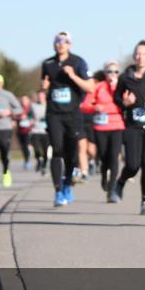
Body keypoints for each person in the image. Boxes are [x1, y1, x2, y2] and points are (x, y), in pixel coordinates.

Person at [40, 32, 94, 206]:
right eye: (57, 41)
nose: (60, 44)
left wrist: (73, 76)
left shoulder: (78, 62)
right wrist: (44, 87)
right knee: (57, 149)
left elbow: (91, 87)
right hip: (54, 114)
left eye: (64, 41)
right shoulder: (47, 64)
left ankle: (67, 184)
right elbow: (44, 86)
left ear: (70, 44)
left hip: (73, 115)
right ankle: (57, 192)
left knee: (71, 153)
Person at [115, 41, 145, 215]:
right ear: (134, 56)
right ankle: (121, 181)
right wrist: (125, 102)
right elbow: (116, 99)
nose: (140, 57)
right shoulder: (125, 77)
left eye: (143, 54)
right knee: (133, 165)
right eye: (137, 53)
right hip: (132, 127)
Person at [80, 62, 124, 202]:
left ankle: (111, 191)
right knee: (104, 157)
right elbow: (84, 105)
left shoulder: (122, 87)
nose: (112, 74)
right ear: (105, 73)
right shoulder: (98, 87)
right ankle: (104, 176)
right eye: (110, 71)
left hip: (117, 125)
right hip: (101, 127)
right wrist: (94, 107)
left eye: (116, 71)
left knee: (114, 156)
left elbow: (129, 103)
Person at [28, 90, 49, 175]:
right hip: (36, 131)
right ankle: (39, 160)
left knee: (46, 150)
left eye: (42, 96)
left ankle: (44, 165)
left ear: (45, 96)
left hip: (46, 131)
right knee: (37, 148)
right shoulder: (33, 105)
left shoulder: (49, 105)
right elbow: (29, 116)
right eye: (39, 96)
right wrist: (30, 120)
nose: (40, 98)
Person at [16, 94, 33, 170]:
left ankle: (27, 160)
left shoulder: (31, 108)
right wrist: (19, 118)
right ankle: (26, 158)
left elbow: (34, 117)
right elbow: (15, 116)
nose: (24, 101)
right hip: (20, 130)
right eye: (22, 100)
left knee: (26, 145)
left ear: (28, 100)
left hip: (28, 130)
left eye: (25, 100)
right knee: (23, 147)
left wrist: (27, 118)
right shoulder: (18, 109)